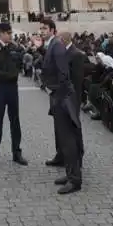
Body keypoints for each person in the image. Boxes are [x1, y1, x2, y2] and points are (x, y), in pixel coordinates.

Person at [39, 18, 81, 194]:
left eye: (44, 28)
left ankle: (75, 180)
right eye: (40, 28)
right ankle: (69, 173)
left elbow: (63, 74)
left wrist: (53, 90)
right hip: (60, 96)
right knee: (64, 139)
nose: (41, 31)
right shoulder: (52, 45)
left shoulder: (56, 46)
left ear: (53, 30)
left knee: (68, 139)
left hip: (62, 98)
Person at [0, 21, 27, 168]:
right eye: (8, 33)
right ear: (1, 34)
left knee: (15, 120)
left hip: (12, 87)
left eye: (11, 33)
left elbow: (20, 64)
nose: (10, 35)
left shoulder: (15, 48)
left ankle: (17, 152)